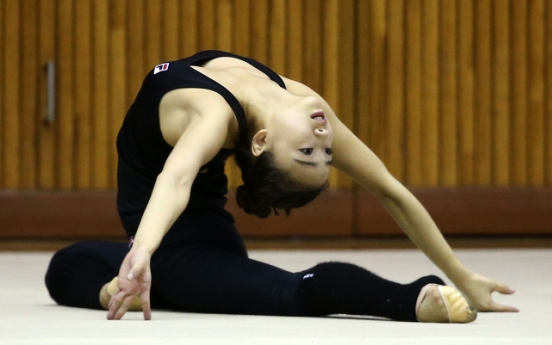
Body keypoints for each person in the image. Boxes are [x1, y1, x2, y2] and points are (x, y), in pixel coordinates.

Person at [45, 50, 518, 323]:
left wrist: (460, 276)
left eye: (312, 153)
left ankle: (412, 299)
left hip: (180, 249)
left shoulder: (217, 115)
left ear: (263, 141)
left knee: (290, 293)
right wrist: (141, 253)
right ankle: (126, 285)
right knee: (68, 262)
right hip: (171, 245)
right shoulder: (295, 103)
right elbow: (177, 177)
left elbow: (177, 177)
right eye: (321, 154)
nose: (323, 142)